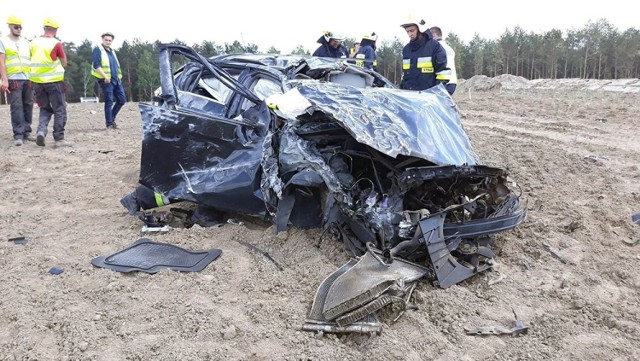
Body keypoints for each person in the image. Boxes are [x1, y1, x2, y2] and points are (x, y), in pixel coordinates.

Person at [30, 17, 73, 148]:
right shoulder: (56, 43)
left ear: (44, 28)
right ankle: (59, 138)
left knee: (45, 108)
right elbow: (64, 63)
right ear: (55, 30)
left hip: (37, 82)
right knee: (59, 109)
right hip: (54, 82)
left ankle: (41, 131)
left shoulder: (33, 42)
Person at [0, 15, 34, 146]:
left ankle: (27, 132)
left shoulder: (26, 42)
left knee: (28, 105)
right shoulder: (3, 41)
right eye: (16, 26)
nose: (19, 29)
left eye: (20, 27)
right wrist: (4, 79)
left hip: (27, 78)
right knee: (17, 107)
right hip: (13, 78)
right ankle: (18, 135)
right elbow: (1, 62)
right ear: (10, 26)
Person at [399, 17, 450, 91]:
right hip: (409, 94)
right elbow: (405, 75)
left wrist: (438, 93)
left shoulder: (434, 46)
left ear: (420, 29)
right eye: (408, 32)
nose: (410, 34)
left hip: (428, 95)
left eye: (412, 30)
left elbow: (442, 73)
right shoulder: (406, 50)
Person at [91, 32, 126, 129]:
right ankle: (109, 124)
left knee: (122, 100)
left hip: (116, 79)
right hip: (106, 80)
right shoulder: (98, 50)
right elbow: (96, 65)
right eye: (106, 40)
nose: (108, 42)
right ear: (102, 39)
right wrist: (105, 77)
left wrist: (119, 77)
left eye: (110, 40)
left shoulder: (112, 51)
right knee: (109, 100)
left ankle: (112, 118)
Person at [430, 26, 457, 95]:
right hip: (452, 82)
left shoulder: (435, 48)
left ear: (434, 35)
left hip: (441, 82)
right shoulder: (450, 48)